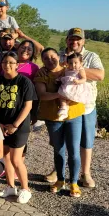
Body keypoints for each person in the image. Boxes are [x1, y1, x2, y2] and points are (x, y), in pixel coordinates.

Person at [34, 48, 85, 197]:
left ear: (59, 57)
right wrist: (61, 94)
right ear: (42, 60)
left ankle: (74, 182)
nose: (50, 60)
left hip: (73, 114)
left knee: (74, 150)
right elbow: (42, 95)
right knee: (58, 149)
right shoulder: (41, 74)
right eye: (46, 58)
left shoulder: (69, 68)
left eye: (52, 57)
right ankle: (60, 179)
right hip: (53, 117)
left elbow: (82, 80)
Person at [0, 52, 36, 204]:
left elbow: (28, 105)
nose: (7, 65)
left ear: (16, 64)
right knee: (6, 157)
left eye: (11, 62)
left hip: (19, 127)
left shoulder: (24, 82)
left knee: (16, 159)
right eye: (4, 62)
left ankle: (26, 189)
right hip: (1, 125)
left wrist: (15, 125)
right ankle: (10, 186)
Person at [59, 28, 104, 188]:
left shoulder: (91, 56)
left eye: (78, 39)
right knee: (62, 139)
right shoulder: (60, 55)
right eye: (72, 39)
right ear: (67, 40)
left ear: (83, 41)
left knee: (86, 140)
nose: (74, 42)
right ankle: (59, 172)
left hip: (86, 106)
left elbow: (100, 75)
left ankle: (85, 173)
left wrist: (76, 68)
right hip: (64, 103)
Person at [57, 53, 93, 120]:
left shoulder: (80, 70)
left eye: (76, 63)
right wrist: (59, 78)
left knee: (72, 98)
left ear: (81, 63)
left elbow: (84, 79)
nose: (73, 65)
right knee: (61, 95)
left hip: (76, 87)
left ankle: (65, 106)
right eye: (70, 63)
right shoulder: (66, 69)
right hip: (67, 87)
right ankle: (64, 108)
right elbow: (64, 76)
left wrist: (78, 81)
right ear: (67, 63)